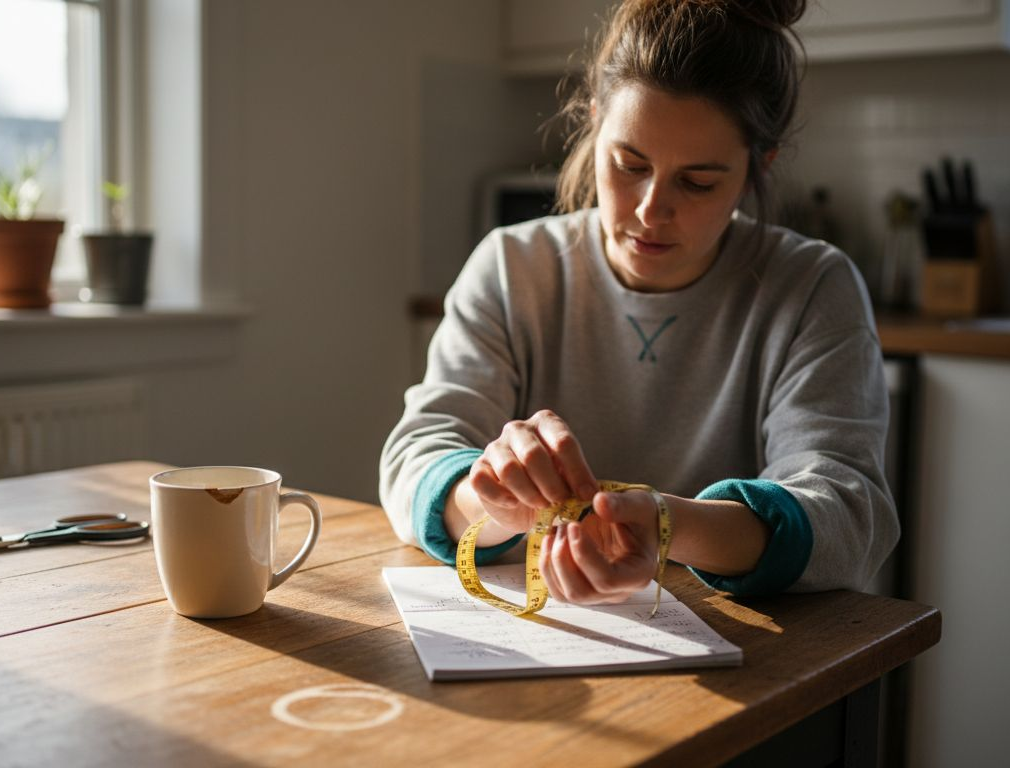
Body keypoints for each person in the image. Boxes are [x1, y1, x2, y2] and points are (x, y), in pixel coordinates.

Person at [379, 0, 897, 605]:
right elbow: (416, 457)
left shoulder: (812, 288)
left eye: (698, 181)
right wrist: (491, 498)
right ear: (595, 124)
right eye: (629, 164)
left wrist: (671, 529)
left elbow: (849, 514)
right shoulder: (510, 268)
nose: (652, 209)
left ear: (760, 165)